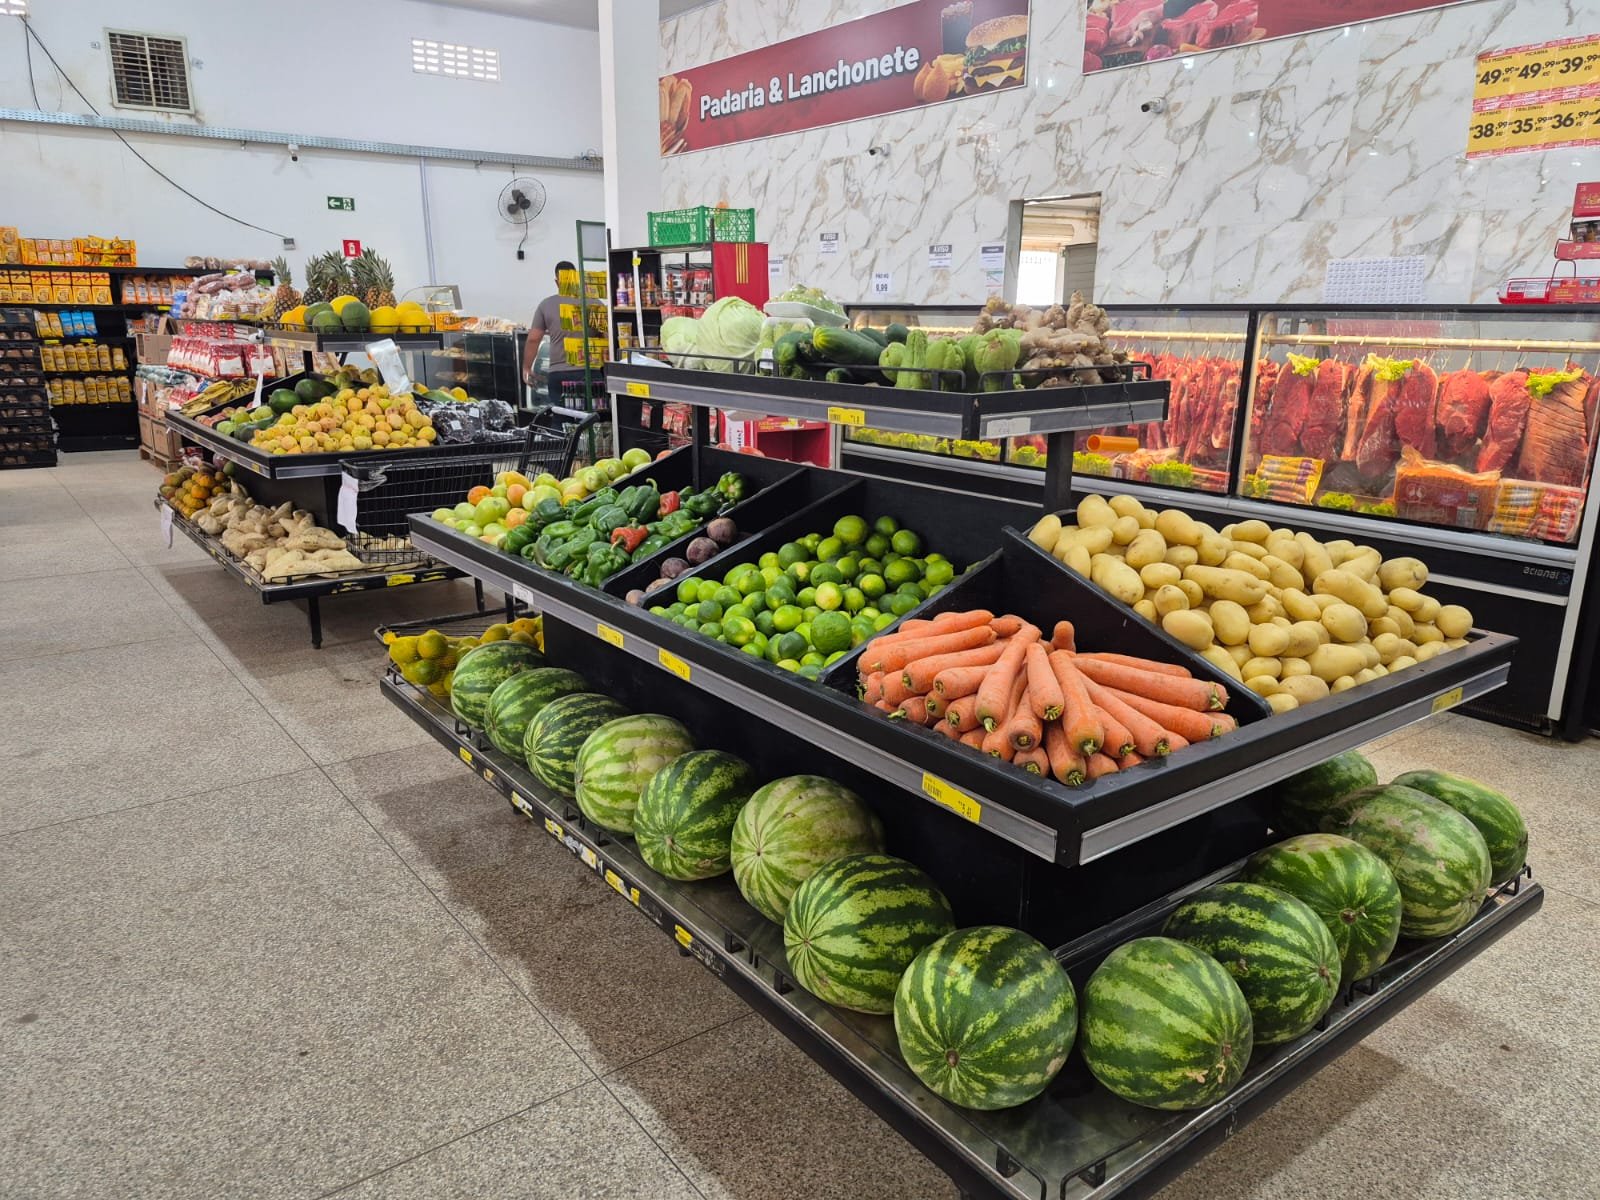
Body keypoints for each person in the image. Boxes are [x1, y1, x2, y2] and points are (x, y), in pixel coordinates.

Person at [523, 261, 583, 385]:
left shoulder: (546, 305)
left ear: (557, 282)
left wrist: (527, 368)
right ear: (576, 278)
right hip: (591, 371)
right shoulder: (594, 303)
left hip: (560, 372)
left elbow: (533, 340)